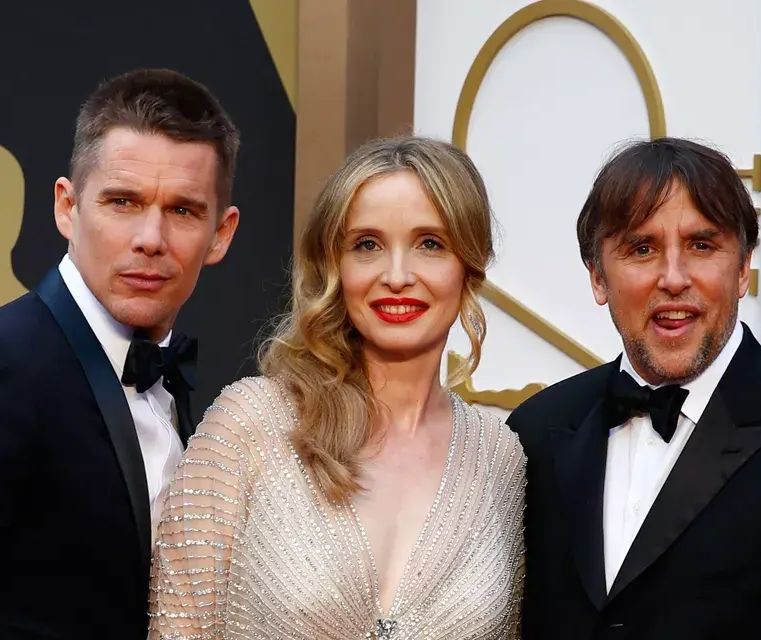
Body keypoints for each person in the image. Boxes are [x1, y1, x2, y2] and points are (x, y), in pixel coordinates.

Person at [146, 136, 525, 640]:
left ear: (469, 265)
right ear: (334, 267)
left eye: (430, 244)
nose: (396, 276)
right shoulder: (249, 425)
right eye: (367, 245)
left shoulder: (500, 457)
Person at [508, 137, 761, 639]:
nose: (674, 278)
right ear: (598, 277)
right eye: (642, 249)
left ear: (743, 268)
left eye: (702, 246)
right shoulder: (536, 430)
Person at [0, 68, 240, 638]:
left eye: (183, 210)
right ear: (67, 207)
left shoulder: (178, 386)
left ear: (221, 234)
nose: (150, 238)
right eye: (122, 201)